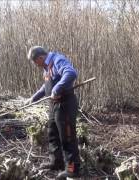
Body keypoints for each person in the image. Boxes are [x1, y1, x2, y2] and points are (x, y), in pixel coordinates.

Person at [26, 46, 80, 179]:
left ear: (40, 58)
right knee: (52, 134)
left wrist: (57, 88)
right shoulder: (46, 68)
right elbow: (46, 86)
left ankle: (73, 170)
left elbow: (71, 73)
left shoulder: (57, 60)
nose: (35, 65)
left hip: (65, 104)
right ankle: (56, 162)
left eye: (35, 62)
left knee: (67, 138)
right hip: (54, 106)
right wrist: (34, 98)